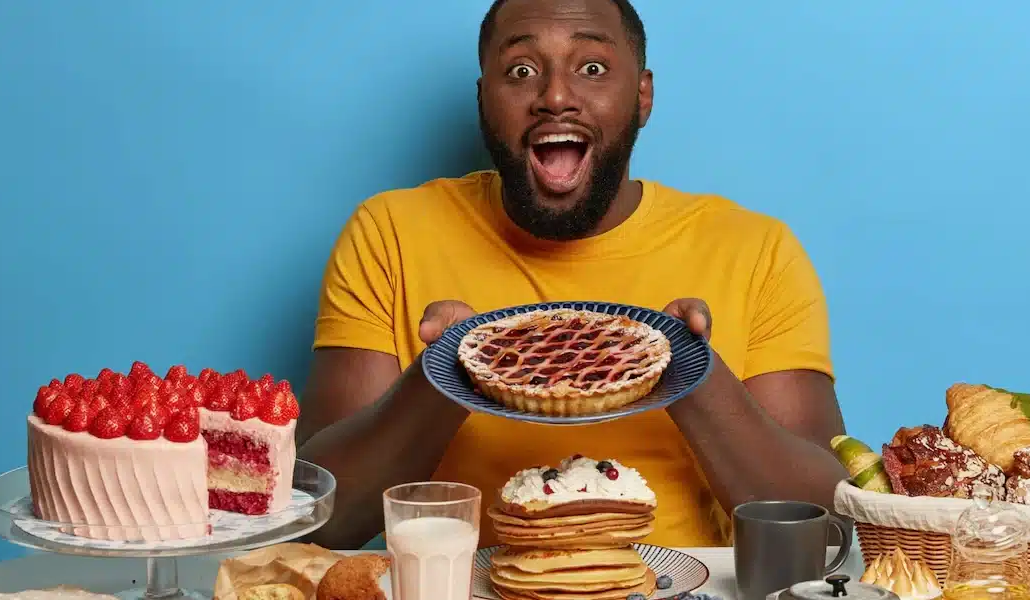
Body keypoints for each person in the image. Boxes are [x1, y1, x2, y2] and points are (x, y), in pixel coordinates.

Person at [297, 0, 849, 550]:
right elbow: (325, 515)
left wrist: (691, 373)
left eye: (592, 68)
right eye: (521, 71)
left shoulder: (754, 250)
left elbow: (831, 524)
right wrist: (446, 372)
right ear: (484, 99)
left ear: (643, 95)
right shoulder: (390, 233)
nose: (555, 97)